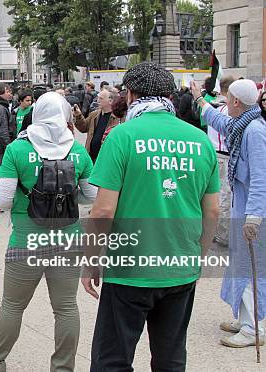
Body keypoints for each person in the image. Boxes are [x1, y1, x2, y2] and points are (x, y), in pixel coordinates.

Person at [83, 62, 220, 370]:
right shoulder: (199, 139)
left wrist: (91, 260)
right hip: (179, 263)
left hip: (130, 266)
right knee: (170, 359)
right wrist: (199, 256)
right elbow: (212, 209)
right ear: (169, 97)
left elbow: (103, 209)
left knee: (112, 360)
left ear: (130, 95)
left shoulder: (122, 136)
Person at [0, 92, 96, 371]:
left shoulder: (17, 150)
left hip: (26, 239)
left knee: (12, 306)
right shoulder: (77, 152)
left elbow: (2, 201)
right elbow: (90, 196)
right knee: (66, 308)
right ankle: (62, 368)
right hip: (67, 238)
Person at [193, 78, 266, 348]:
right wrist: (201, 101)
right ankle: (245, 317)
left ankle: (253, 328)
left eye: (227, 100)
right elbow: (220, 122)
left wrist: (254, 218)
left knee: (249, 269)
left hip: (252, 213)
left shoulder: (255, 131)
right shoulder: (242, 123)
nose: (224, 104)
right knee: (239, 265)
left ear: (235, 102)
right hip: (243, 209)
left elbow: (261, 178)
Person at [208, 76, 235, 247]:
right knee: (224, 197)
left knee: (212, 195)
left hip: (213, 155)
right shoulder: (227, 110)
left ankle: (212, 230)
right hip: (223, 156)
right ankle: (222, 234)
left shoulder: (213, 107)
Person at [73, 86, 120, 162]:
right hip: (92, 158)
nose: (97, 100)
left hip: (107, 159)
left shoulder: (118, 118)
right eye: (98, 98)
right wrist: (78, 115)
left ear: (110, 101)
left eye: (101, 98)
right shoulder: (94, 114)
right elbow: (83, 128)